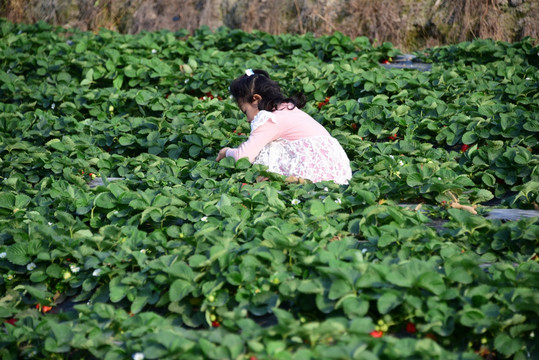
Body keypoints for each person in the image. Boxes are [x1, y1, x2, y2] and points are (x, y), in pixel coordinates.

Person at [216, 69, 352, 185]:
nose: (247, 119)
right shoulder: (288, 109)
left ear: (256, 99)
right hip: (338, 171)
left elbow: (243, 157)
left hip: (313, 176)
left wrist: (227, 152)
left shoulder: (270, 119)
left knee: (262, 158)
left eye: (245, 111)